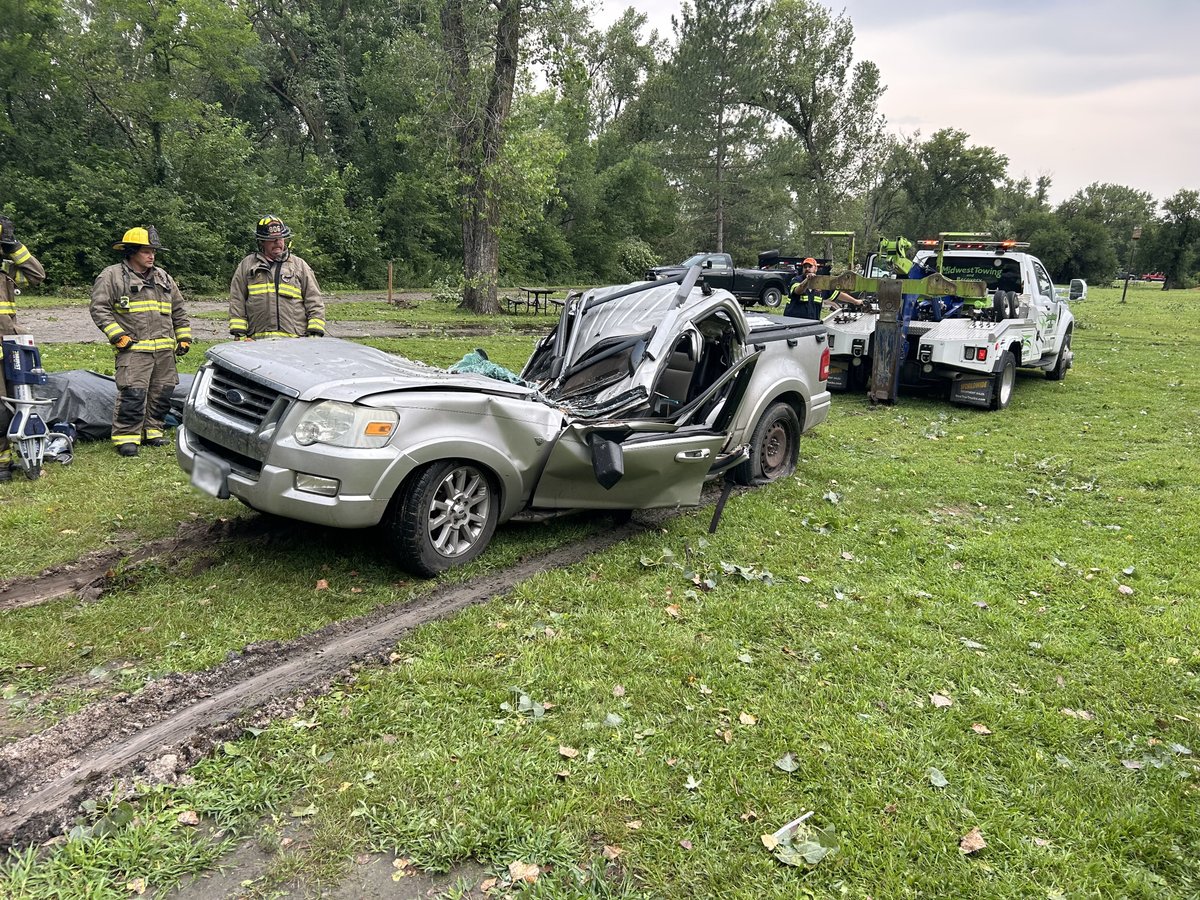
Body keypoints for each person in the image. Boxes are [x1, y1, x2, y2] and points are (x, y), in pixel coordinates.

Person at [89, 226, 192, 457]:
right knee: (133, 393)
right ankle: (126, 437)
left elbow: (179, 310)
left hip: (164, 351)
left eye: (153, 251)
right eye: (146, 251)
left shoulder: (163, 277)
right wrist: (117, 336)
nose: (151, 256)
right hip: (134, 349)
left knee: (162, 392)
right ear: (132, 251)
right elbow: (99, 308)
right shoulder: (112, 276)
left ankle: (153, 431)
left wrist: (183, 337)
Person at [0, 213, 46, 481]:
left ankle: (5, 463)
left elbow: (37, 275)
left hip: (10, 350)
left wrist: (14, 246)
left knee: (13, 406)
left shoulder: (6, 272)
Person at [228, 215, 325, 339]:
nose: (278, 242)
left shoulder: (299, 265)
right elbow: (237, 301)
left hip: (296, 342)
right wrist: (239, 334)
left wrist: (314, 333)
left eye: (280, 238)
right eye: (272, 239)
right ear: (261, 241)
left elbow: (314, 300)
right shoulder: (247, 266)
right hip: (257, 342)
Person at [784, 257, 861, 319]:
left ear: (816, 269)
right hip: (794, 323)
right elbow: (798, 291)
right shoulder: (796, 280)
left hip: (812, 324)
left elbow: (837, 294)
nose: (807, 269)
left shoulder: (821, 283)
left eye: (810, 266)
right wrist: (807, 280)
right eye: (805, 267)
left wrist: (855, 301)